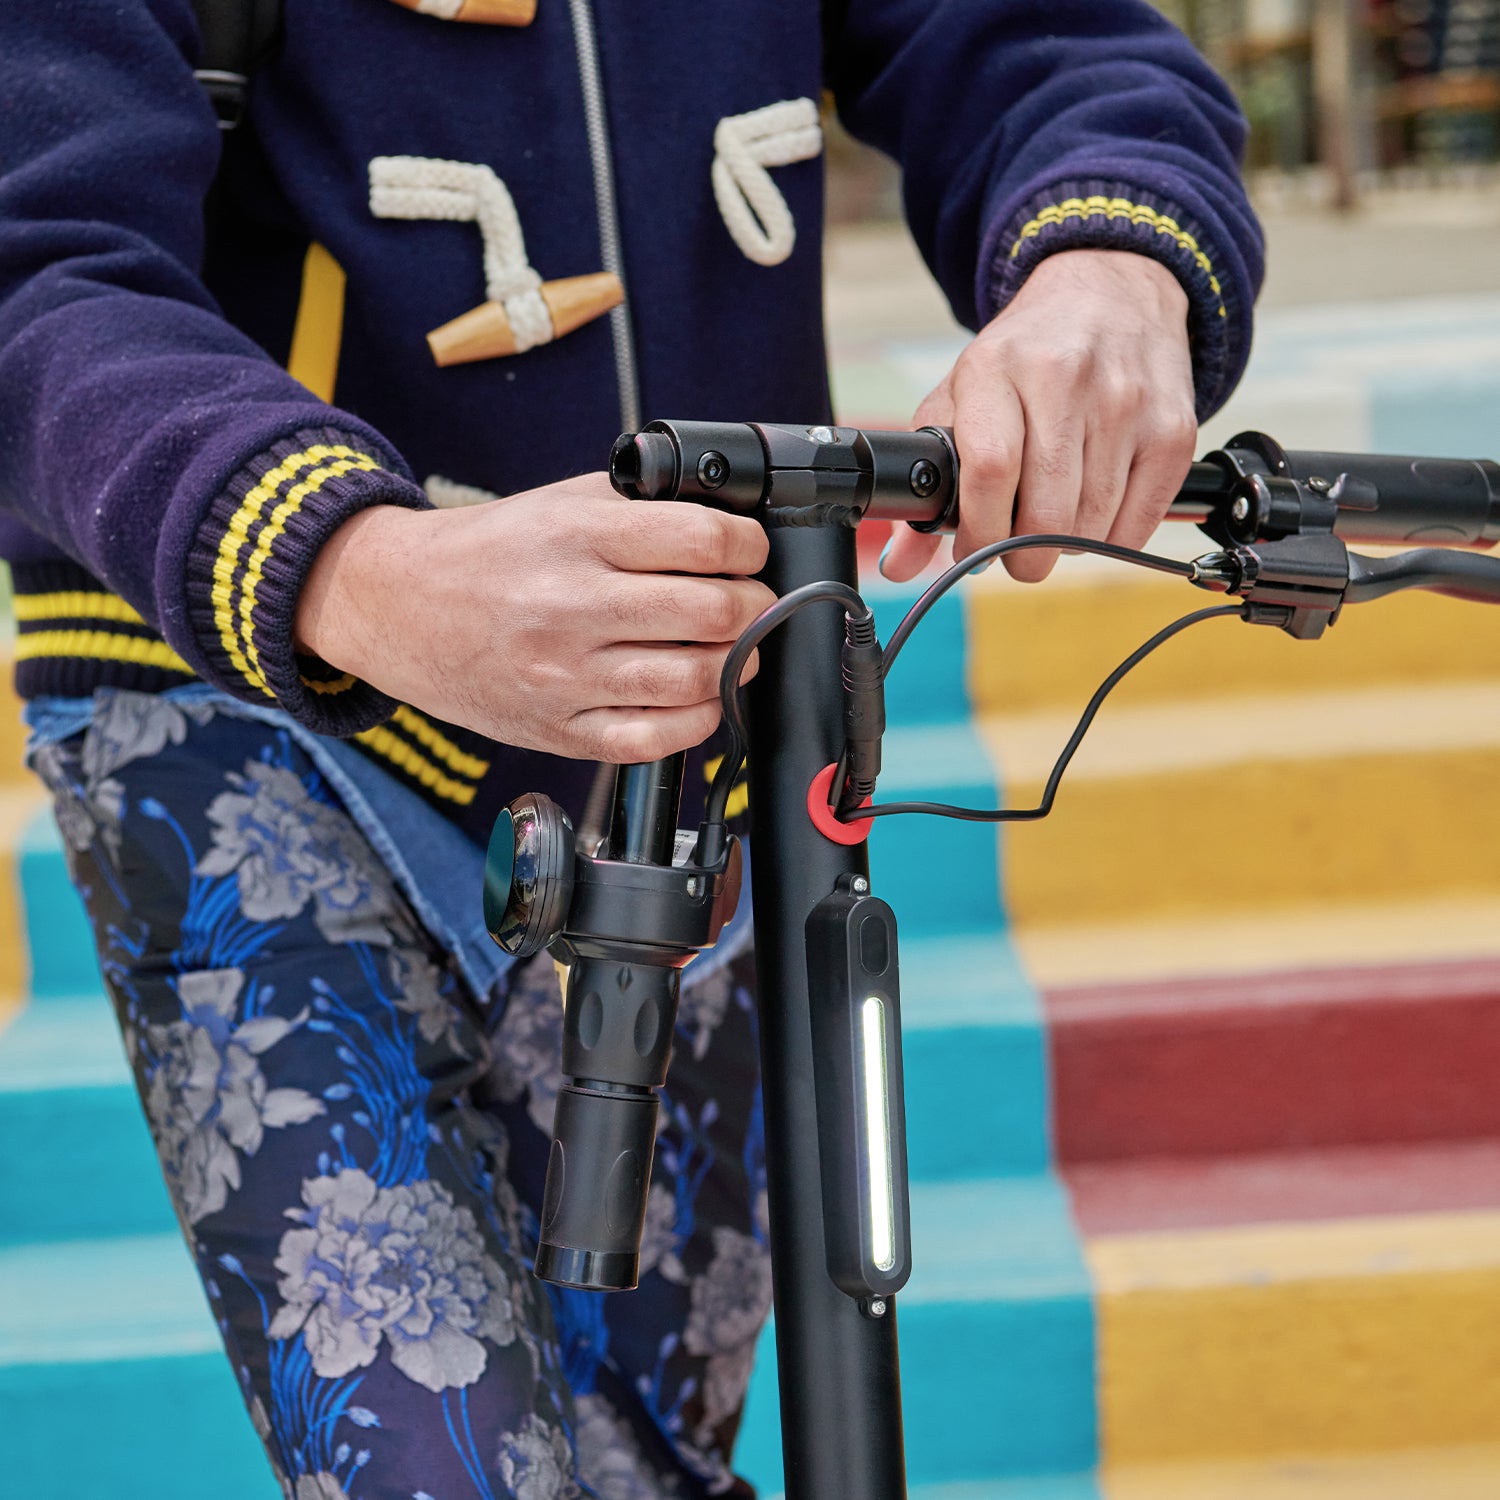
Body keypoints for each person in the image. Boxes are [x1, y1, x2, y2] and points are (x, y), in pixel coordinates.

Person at [0, 1, 1263, 1495]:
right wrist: (352, 565)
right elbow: (36, 261)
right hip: (247, 707)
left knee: (650, 1461)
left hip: (700, 718)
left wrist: (1112, 263)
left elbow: (1046, 43)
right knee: (439, 1470)